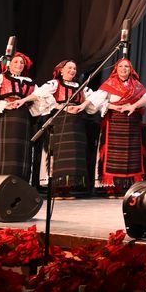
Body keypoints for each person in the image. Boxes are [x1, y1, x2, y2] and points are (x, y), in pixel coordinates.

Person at [36, 59, 104, 195]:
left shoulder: (81, 87)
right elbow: (40, 94)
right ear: (61, 70)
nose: (72, 70)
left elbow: (95, 98)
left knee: (75, 154)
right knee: (61, 153)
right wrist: (60, 106)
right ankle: (57, 187)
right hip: (61, 121)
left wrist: (81, 106)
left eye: (74, 68)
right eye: (69, 68)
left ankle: (68, 187)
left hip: (77, 123)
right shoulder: (55, 84)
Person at [0, 51, 39, 182]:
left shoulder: (30, 82)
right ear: (8, 65)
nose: (19, 64)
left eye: (22, 62)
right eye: (16, 62)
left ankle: (19, 182)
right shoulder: (1, 78)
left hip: (22, 118)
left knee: (19, 151)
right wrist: (3, 104)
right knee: (3, 150)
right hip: (5, 116)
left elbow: (40, 99)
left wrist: (27, 104)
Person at [97, 58, 146, 194]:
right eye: (120, 66)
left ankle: (127, 186)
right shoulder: (109, 84)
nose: (123, 69)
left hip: (133, 124)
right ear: (116, 69)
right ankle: (111, 187)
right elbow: (98, 102)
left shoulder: (138, 86)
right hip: (115, 121)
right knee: (114, 154)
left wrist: (134, 106)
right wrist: (113, 106)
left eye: (126, 66)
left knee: (132, 155)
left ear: (131, 69)